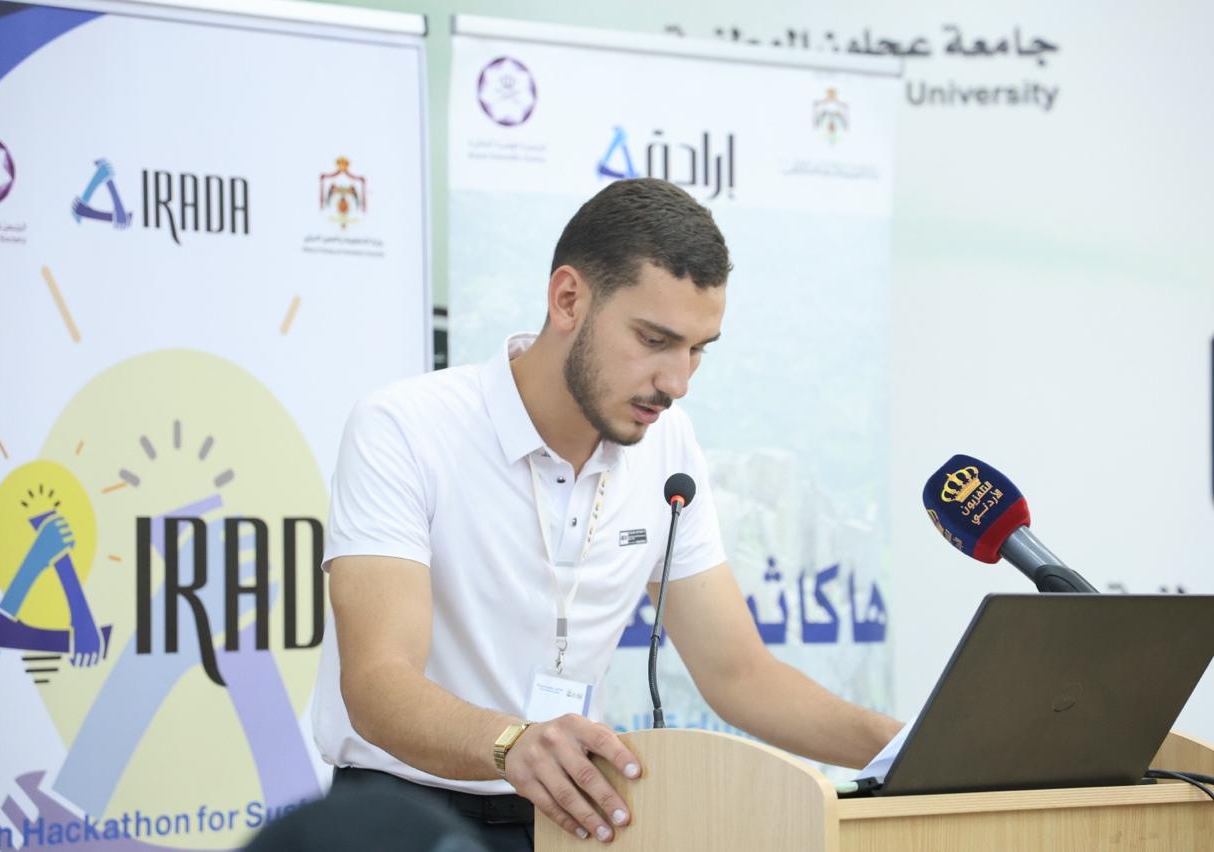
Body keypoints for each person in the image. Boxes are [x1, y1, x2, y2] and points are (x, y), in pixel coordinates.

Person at [311, 177, 900, 849]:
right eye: (654, 340)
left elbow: (740, 675)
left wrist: (907, 748)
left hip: (574, 819)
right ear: (568, 299)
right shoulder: (405, 427)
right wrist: (513, 743)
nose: (677, 383)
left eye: (698, 350)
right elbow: (378, 683)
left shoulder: (668, 445)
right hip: (400, 821)